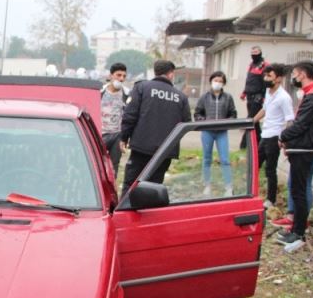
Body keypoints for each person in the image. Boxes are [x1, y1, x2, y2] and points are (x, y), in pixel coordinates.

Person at [276, 61, 313, 250]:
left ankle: (298, 232)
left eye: (296, 74)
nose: (294, 78)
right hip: (301, 149)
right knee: (297, 190)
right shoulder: (311, 96)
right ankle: (296, 229)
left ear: (303, 74)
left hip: (304, 151)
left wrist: (283, 136)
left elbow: (301, 125)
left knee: (299, 192)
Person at [119, 60, 191, 194]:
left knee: (132, 184)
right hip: (165, 150)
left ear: (156, 71)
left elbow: (130, 115)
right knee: (154, 186)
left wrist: (124, 137)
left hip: (141, 147)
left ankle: (126, 212)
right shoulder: (181, 97)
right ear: (170, 74)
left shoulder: (141, 88)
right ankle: (149, 213)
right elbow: (186, 122)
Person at [253, 64, 294, 208]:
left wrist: (284, 139)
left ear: (279, 79)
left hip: (275, 136)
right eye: (265, 75)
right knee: (255, 165)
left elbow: (290, 119)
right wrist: (251, 121)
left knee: (270, 169)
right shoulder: (268, 92)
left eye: (269, 76)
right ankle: (251, 193)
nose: (266, 78)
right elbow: (264, 109)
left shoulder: (284, 97)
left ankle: (271, 199)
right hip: (265, 134)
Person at [194, 71, 237, 197]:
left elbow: (233, 114)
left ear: (223, 83)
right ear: (211, 81)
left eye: (220, 81)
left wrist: (226, 122)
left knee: (225, 159)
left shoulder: (228, 97)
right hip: (207, 131)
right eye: (215, 80)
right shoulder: (204, 97)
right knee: (207, 159)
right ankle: (207, 185)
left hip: (222, 132)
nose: (217, 83)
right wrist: (205, 122)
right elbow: (197, 113)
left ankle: (228, 187)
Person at [100, 62, 129, 175]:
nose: (121, 78)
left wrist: (125, 138)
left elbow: (129, 116)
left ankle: (111, 189)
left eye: (124, 76)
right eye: (118, 75)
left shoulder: (127, 94)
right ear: (111, 75)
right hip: (100, 133)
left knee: (113, 166)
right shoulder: (100, 92)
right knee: (96, 163)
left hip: (117, 135)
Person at [240, 46, 268, 149]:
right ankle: (260, 144)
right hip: (249, 96)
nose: (254, 54)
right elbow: (249, 80)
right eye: (252, 52)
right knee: (255, 124)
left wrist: (264, 97)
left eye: (256, 52)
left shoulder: (264, 65)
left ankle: (243, 145)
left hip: (258, 97)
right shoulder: (251, 65)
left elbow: (265, 82)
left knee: (250, 120)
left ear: (260, 53)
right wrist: (244, 92)